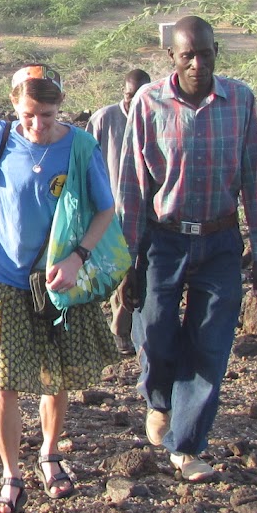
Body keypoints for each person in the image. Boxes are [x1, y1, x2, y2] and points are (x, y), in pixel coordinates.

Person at [116, 16, 257, 484]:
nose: (198, 64)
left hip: (221, 240)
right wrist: (128, 260)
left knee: (211, 345)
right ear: (172, 57)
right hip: (164, 238)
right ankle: (160, 400)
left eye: (205, 54)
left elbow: (254, 176)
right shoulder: (149, 103)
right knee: (157, 332)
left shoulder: (239, 100)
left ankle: (187, 446)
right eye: (188, 55)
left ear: (216, 52)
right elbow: (132, 185)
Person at [0, 67, 120, 513]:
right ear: (15, 106)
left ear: (60, 108)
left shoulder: (80, 146)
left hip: (56, 282)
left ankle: (49, 453)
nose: (37, 125)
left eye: (47, 115)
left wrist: (77, 259)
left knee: (56, 375)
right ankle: (11, 475)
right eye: (29, 115)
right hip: (4, 277)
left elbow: (106, 209)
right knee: (4, 381)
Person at [89, 70, 151, 354]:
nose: (134, 101)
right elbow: (84, 159)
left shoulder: (155, 117)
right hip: (107, 210)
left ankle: (122, 329)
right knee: (110, 270)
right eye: (129, 96)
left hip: (144, 210)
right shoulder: (105, 119)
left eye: (140, 96)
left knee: (133, 269)